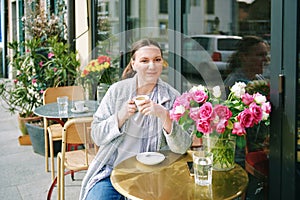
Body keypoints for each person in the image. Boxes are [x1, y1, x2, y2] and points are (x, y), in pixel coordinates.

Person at [79, 38, 192, 200]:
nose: (152, 66)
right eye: (144, 61)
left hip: (155, 176)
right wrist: (121, 116)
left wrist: (164, 115)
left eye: (157, 60)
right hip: (112, 172)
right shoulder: (117, 92)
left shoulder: (172, 97)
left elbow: (182, 147)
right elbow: (97, 135)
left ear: (162, 63)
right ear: (134, 64)